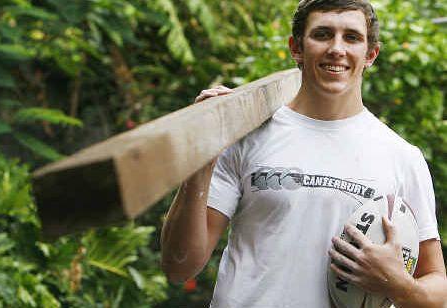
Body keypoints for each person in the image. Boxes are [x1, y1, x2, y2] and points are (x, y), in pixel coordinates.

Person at [160, 0, 447, 307]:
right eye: (322, 34)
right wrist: (200, 159)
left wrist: (400, 284)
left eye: (351, 37)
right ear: (296, 48)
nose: (337, 48)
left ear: (371, 54)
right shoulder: (247, 135)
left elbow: (438, 290)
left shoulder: (402, 157)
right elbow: (179, 266)